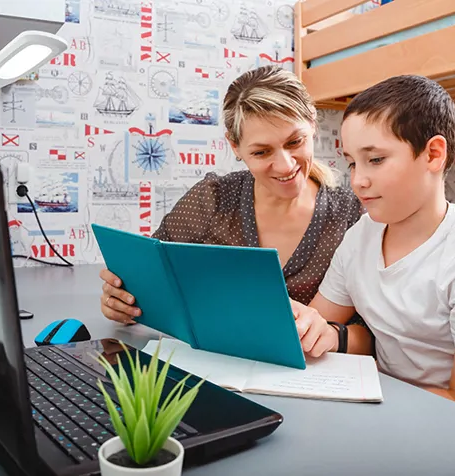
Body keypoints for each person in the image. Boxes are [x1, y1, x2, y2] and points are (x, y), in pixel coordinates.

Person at [292, 74, 455, 437]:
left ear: (433, 154)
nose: (358, 181)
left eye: (376, 160)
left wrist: (367, 405)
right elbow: (317, 320)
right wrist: (297, 323)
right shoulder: (360, 238)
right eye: (353, 163)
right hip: (404, 404)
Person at [99, 64, 372, 357]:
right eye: (261, 152)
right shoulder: (213, 200)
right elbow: (151, 277)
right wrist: (124, 301)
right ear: (235, 146)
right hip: (218, 370)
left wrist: (333, 335)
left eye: (295, 142)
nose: (284, 165)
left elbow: (379, 335)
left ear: (313, 126)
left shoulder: (353, 215)